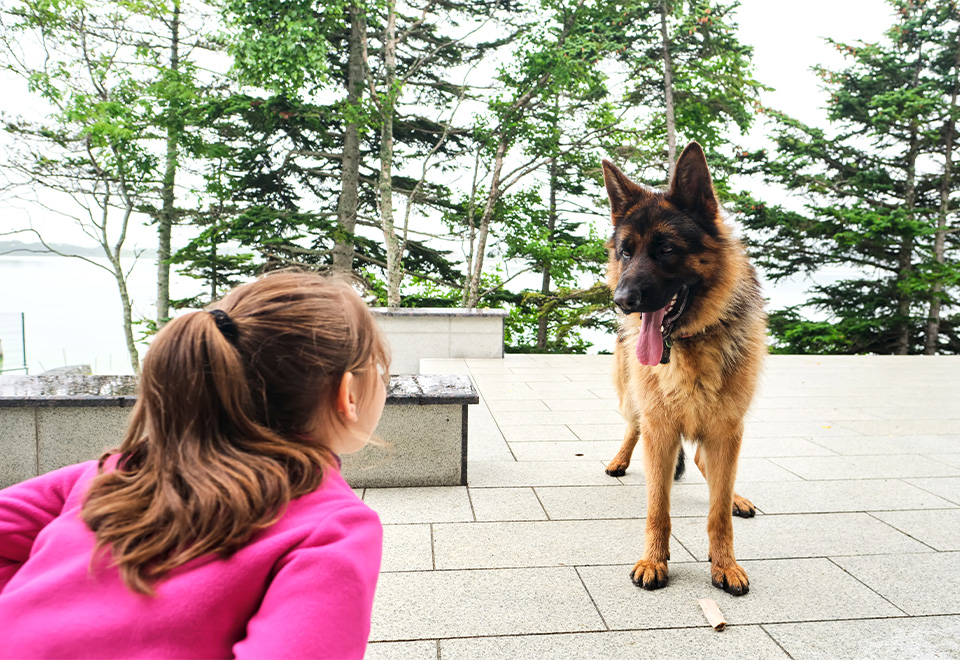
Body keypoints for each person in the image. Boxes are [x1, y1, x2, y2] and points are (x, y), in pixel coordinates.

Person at [0, 271, 389, 659]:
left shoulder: (113, 473)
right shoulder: (330, 527)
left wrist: (31, 614)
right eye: (380, 369)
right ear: (348, 393)